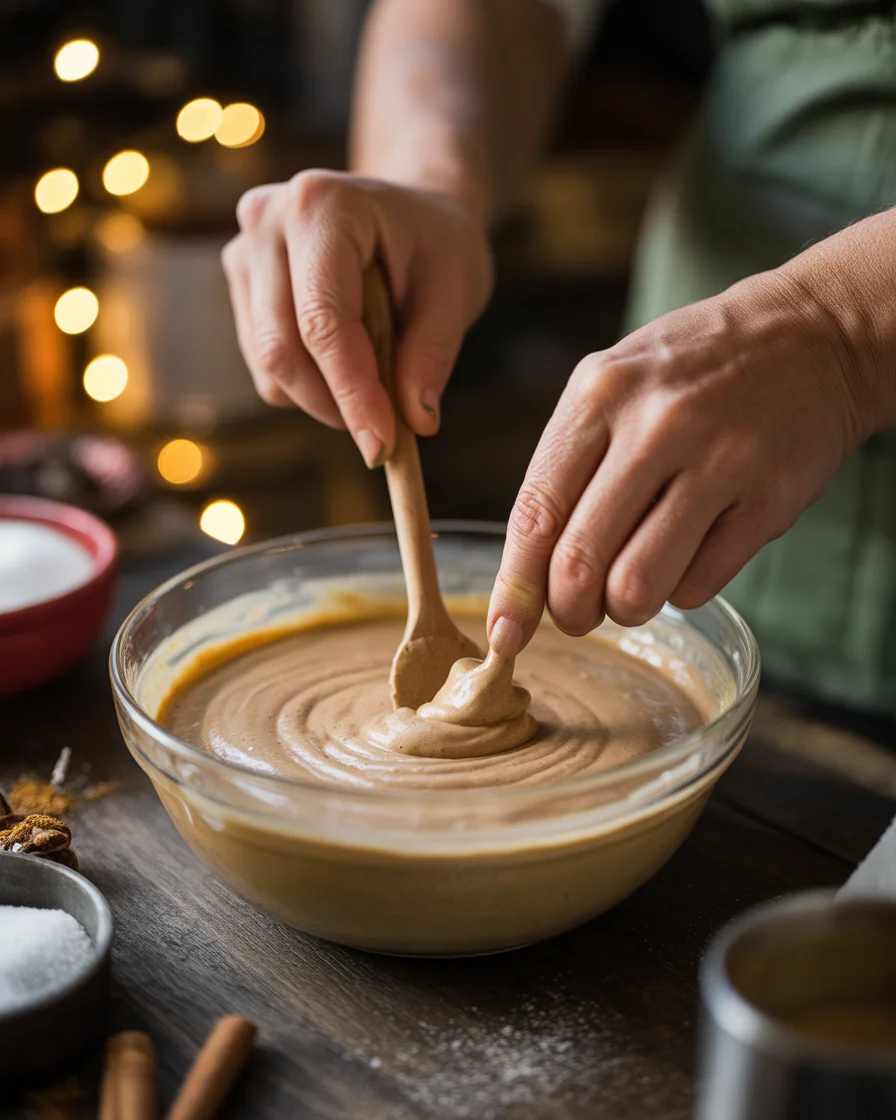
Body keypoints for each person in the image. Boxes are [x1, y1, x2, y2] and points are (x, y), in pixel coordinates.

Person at [221, 0, 896, 718]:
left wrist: (838, 332)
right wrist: (427, 175)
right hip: (697, 513)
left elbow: (837, 336)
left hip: (755, 372)